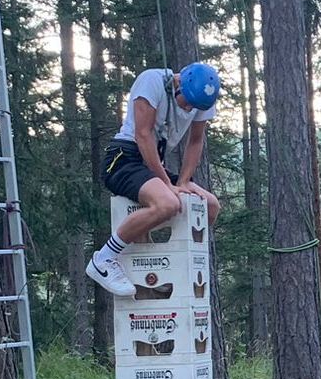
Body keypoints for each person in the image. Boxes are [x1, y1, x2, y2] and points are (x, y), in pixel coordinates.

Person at [85, 63, 224, 297]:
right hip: (124, 159)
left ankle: (170, 268)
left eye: (194, 107)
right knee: (167, 203)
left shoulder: (202, 99)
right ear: (178, 84)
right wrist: (167, 184)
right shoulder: (152, 81)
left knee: (210, 206)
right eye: (186, 103)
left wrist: (183, 181)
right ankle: (104, 259)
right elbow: (143, 134)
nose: (189, 109)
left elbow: (196, 141)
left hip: (153, 164)